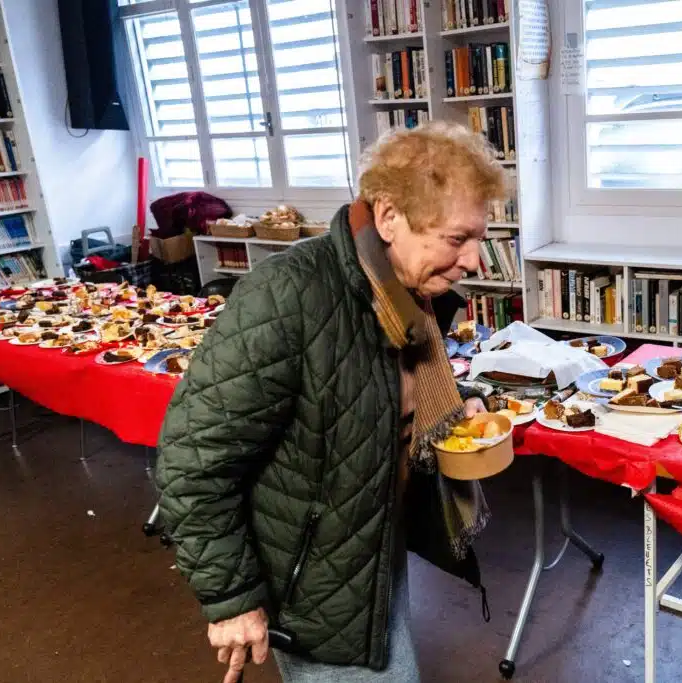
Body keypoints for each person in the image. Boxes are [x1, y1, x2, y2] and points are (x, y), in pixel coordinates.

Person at [155, 121, 506, 683]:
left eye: (478, 240)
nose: (473, 261)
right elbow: (191, 461)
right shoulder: (288, 294)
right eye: (456, 239)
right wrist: (231, 599)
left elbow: (363, 388)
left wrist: (457, 403)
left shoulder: (400, 294)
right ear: (389, 217)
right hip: (313, 577)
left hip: (371, 539)